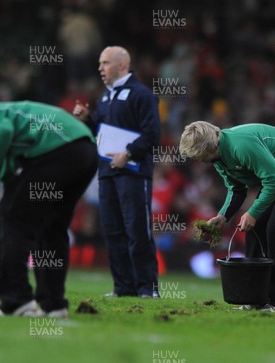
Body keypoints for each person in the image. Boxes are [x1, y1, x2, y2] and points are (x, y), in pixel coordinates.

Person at [0, 100, 98, 317]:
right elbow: (13, 182)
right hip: (83, 151)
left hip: (59, 149)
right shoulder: (1, 150)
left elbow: (2, 131)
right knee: (49, 227)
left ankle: (16, 300)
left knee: (8, 219)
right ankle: (54, 305)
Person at [179, 121, 275, 312]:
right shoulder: (217, 156)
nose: (198, 160)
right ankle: (254, 298)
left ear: (209, 147)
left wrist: (253, 213)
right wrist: (223, 216)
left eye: (197, 155)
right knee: (254, 228)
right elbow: (236, 188)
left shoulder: (241, 146)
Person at [73, 46, 161, 298]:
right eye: (100, 63)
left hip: (133, 172)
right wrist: (88, 120)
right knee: (112, 231)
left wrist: (129, 153)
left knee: (137, 231)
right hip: (108, 173)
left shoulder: (141, 94)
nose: (100, 68)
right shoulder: (104, 98)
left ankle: (147, 288)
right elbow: (101, 134)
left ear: (122, 65)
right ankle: (123, 287)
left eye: (105, 63)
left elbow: (153, 134)